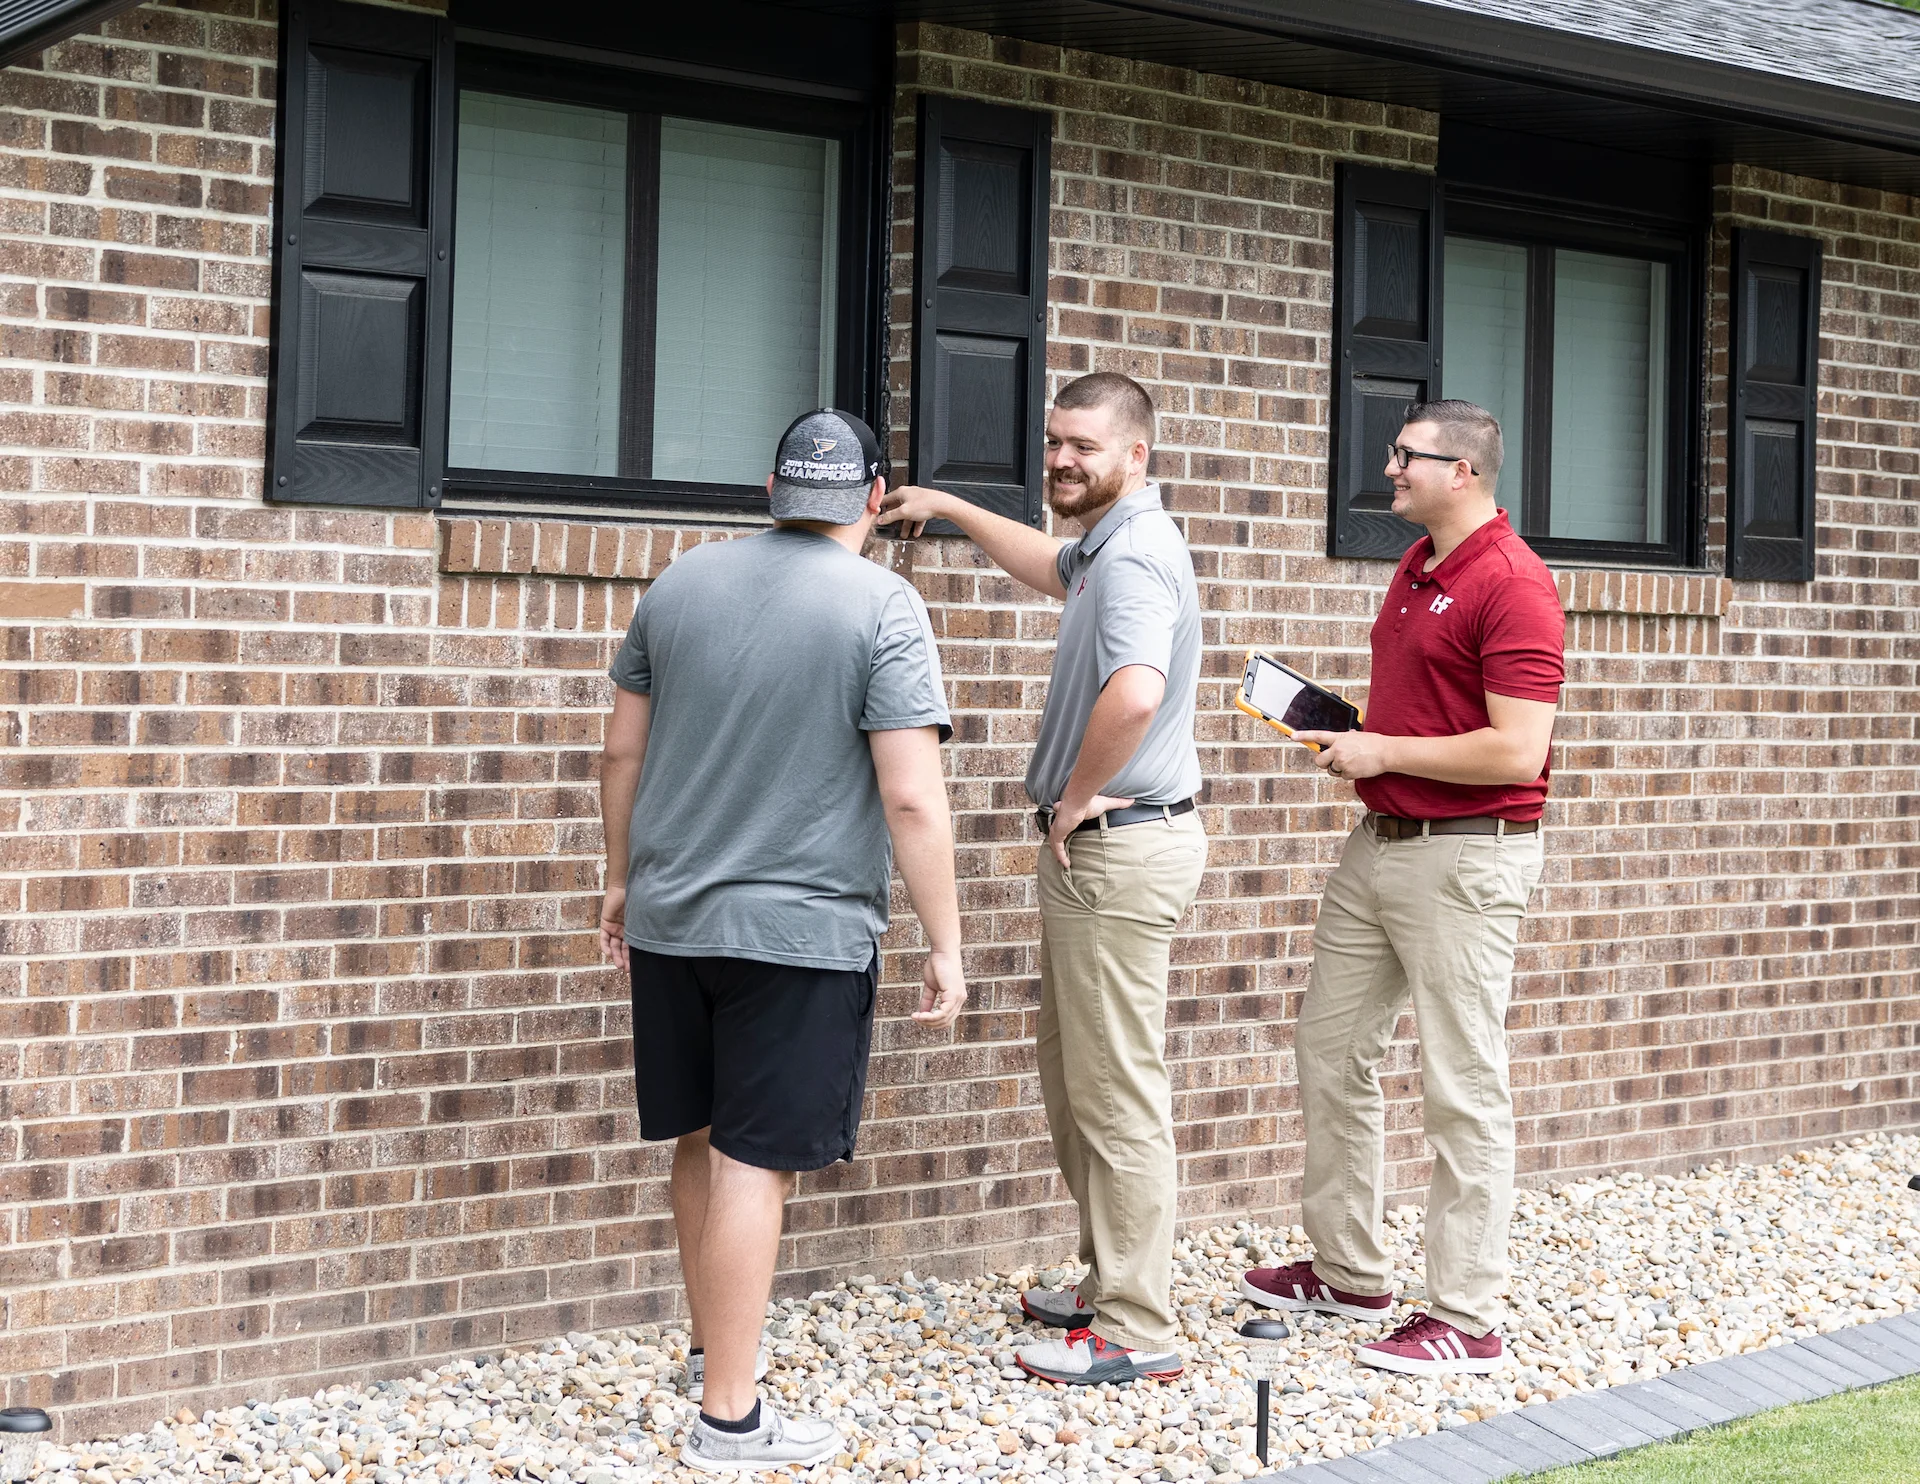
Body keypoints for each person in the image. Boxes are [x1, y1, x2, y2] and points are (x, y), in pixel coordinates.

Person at [598, 408, 967, 1470]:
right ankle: (728, 1416)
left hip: (674, 918)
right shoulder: (884, 605)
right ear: (869, 498)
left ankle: (721, 1344)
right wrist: (945, 936)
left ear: (771, 489)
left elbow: (622, 751)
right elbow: (910, 796)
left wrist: (620, 877)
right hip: (799, 933)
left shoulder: (677, 586)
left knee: (700, 1137)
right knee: (757, 1159)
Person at [882, 372, 1206, 1386]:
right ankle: (1112, 1280)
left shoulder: (1140, 555)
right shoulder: (1109, 546)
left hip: (1117, 845)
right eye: (1054, 439)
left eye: (1084, 445)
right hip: (1106, 854)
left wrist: (1073, 796)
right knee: (1079, 1082)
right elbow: (1049, 563)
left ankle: (1138, 1325)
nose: (1061, 458)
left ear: (1137, 456)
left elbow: (1138, 691)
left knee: (1114, 1090)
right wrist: (952, 507)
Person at [1236, 400, 1564, 1376]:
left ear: (1460, 470)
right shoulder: (1418, 568)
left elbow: (1518, 746)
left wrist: (1383, 746)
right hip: (1379, 843)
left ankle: (1466, 1313)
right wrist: (1352, 731)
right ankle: (1350, 1269)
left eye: (1404, 456)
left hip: (1467, 856)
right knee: (1331, 1049)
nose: (1388, 469)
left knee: (1463, 1083)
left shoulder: (1515, 584)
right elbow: (1433, 712)